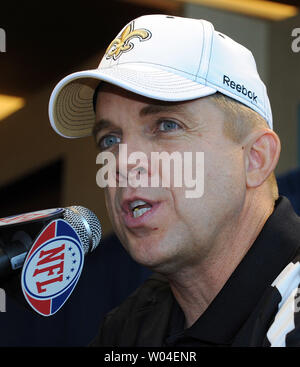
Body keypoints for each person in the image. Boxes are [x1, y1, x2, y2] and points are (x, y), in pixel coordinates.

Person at [48, 14, 300, 347]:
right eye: (110, 139)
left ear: (256, 158)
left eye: (166, 126)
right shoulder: (127, 330)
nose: (122, 162)